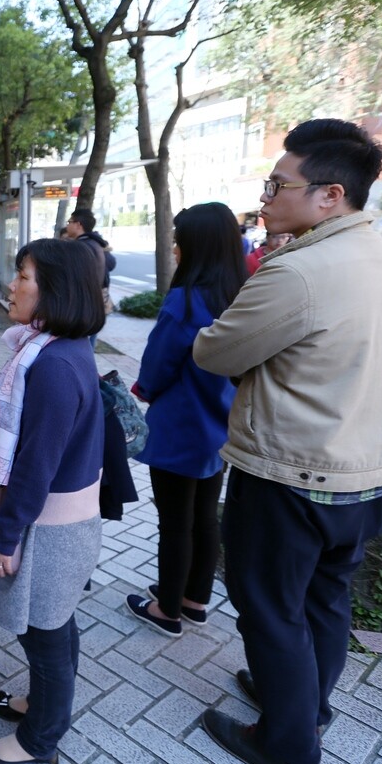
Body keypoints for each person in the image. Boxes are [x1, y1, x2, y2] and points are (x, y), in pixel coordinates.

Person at [193, 119, 382, 764]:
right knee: (324, 598)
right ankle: (304, 701)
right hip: (368, 475)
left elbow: (214, 351)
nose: (266, 198)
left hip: (293, 477)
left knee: (267, 611)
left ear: (329, 196)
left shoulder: (299, 271)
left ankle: (286, 744)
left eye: (277, 185)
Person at [0, 239, 106, 764]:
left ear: (55, 291)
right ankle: (41, 707)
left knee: (45, 637)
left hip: (47, 529)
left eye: (24, 276)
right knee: (53, 625)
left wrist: (4, 536)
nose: (14, 285)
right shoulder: (54, 350)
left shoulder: (53, 366)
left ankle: (37, 743)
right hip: (61, 524)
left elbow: (35, 466)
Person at [123, 203, 247, 638]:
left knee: (174, 521)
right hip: (220, 423)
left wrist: (145, 392)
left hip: (181, 423)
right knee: (204, 517)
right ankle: (195, 600)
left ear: (196, 246)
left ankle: (167, 610)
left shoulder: (186, 299)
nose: (175, 247)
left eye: (180, 240)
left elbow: (160, 361)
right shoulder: (241, 293)